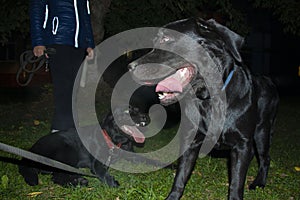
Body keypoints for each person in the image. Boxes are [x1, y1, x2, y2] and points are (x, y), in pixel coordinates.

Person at [30, 0, 95, 132]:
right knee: (63, 88)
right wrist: (38, 42)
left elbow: (85, 17)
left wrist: (89, 43)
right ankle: (59, 130)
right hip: (57, 40)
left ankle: (70, 129)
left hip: (78, 45)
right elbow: (37, 10)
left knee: (73, 89)